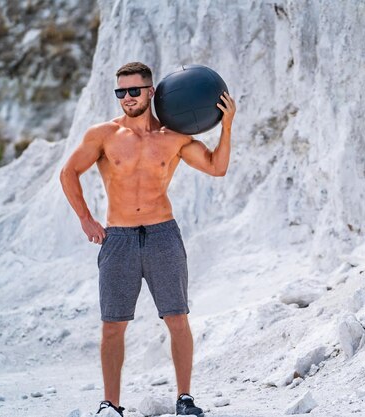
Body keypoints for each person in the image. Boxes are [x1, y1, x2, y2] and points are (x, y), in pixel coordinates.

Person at [59, 61, 236, 417]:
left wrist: (227, 125)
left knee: (177, 318)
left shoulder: (175, 137)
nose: (127, 98)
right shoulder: (103, 135)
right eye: (120, 92)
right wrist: (86, 219)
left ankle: (184, 399)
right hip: (119, 237)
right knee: (113, 325)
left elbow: (217, 167)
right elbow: (68, 172)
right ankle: (110, 404)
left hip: (162, 234)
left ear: (151, 91)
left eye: (134, 90)